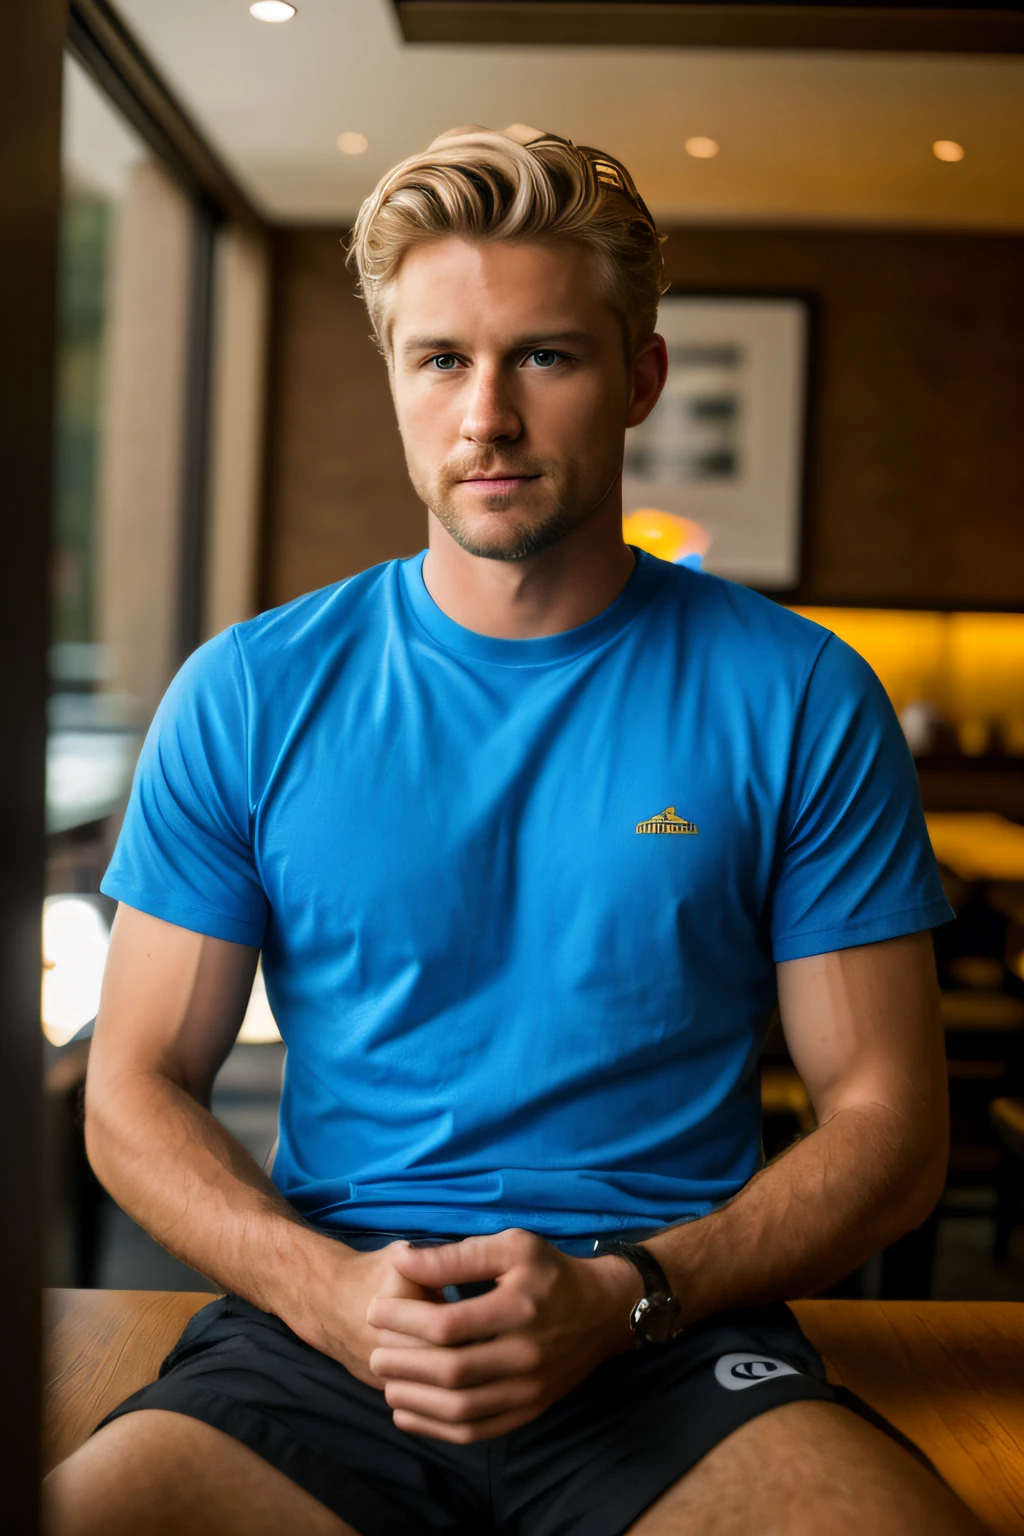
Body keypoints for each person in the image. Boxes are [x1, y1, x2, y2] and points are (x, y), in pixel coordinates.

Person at [47, 125, 985, 1536]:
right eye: (440, 361)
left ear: (639, 379)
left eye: (543, 356)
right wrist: (331, 1292)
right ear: (398, 384)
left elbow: (894, 1128)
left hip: (667, 1338)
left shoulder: (797, 695)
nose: (485, 414)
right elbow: (132, 1093)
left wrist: (629, 1295)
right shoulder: (249, 692)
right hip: (331, 1331)